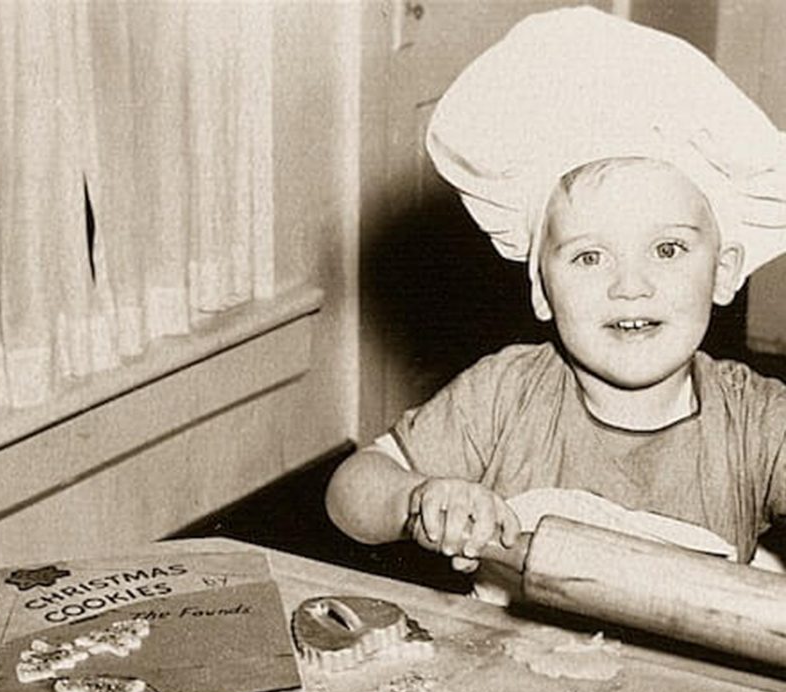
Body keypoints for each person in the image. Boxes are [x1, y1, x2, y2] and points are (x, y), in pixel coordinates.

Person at [326, 7, 786, 595]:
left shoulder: (752, 423)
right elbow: (350, 490)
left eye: (667, 249)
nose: (630, 285)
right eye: (590, 257)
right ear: (541, 289)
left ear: (724, 274)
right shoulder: (505, 395)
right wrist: (414, 499)